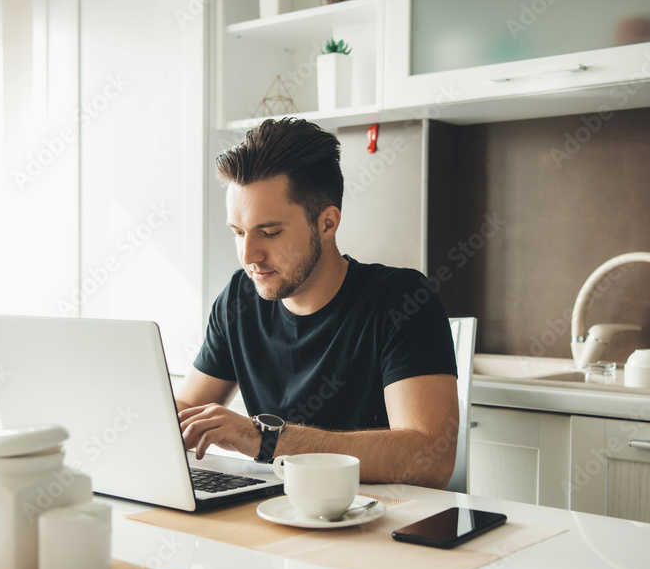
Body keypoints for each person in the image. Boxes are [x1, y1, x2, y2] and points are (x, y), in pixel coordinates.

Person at [175, 118, 459, 489]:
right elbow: (184, 411)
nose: (249, 256)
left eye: (270, 232)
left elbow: (430, 459)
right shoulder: (238, 299)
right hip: (275, 510)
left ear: (327, 223)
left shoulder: (403, 300)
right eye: (239, 233)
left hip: (376, 523)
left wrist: (265, 439)